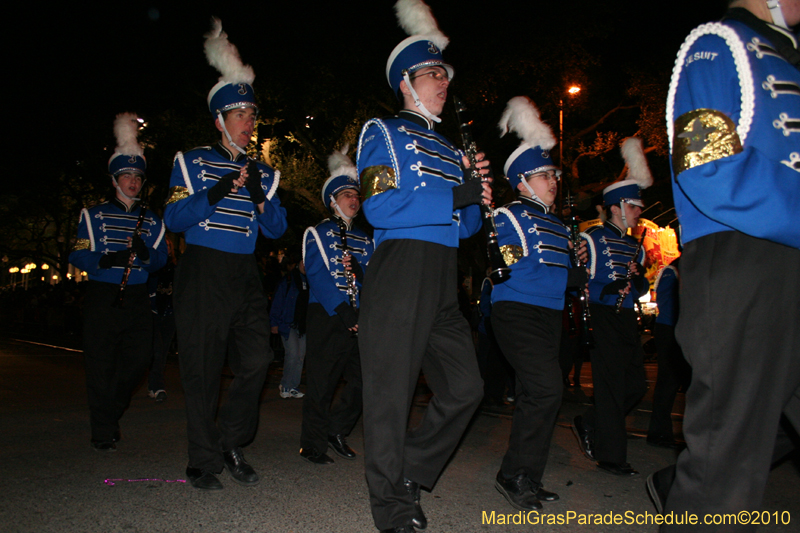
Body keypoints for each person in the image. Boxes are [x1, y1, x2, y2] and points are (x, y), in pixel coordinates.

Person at [646, 0, 799, 525]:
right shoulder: (717, 45)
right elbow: (708, 166)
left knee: (736, 446)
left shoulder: (786, 54)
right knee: (725, 470)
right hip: (742, 251)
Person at [356, 1, 491, 531]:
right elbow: (379, 207)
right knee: (390, 395)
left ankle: (411, 470)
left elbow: (467, 229)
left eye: (444, 74)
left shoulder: (450, 147)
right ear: (406, 83)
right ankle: (389, 506)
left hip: (441, 274)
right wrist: (458, 193)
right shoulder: (382, 134)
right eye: (433, 74)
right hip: (399, 268)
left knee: (466, 388)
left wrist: (476, 197)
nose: (443, 82)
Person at [163, 19, 287, 491]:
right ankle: (203, 460)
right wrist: (214, 192)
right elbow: (173, 220)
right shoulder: (191, 162)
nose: (250, 123)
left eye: (252, 116)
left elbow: (276, 229)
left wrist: (258, 196)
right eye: (241, 115)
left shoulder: (264, 171)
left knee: (257, 360)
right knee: (202, 367)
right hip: (202, 271)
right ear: (220, 120)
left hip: (244, 273)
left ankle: (232, 439)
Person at [490, 96, 589, 510]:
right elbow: (515, 269)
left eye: (554, 174)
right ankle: (514, 473)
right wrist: (570, 275)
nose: (554, 181)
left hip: (549, 315)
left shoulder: (559, 225)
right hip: (516, 310)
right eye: (545, 175)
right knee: (548, 389)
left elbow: (565, 274)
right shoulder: (508, 216)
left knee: (537, 393)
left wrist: (579, 266)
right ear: (522, 181)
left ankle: (525, 475)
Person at [69, 112, 167, 451]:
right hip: (102, 295)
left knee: (140, 359)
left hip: (138, 296)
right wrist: (107, 259)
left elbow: (161, 261)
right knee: (100, 364)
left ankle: (110, 410)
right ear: (114, 179)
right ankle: (103, 430)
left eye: (137, 177)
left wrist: (143, 254)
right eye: (126, 176)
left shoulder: (153, 220)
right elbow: (78, 255)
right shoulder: (92, 215)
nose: (133, 182)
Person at [572, 137, 652, 476]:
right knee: (611, 388)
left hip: (626, 318)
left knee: (636, 384)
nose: (639, 211)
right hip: (602, 317)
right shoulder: (592, 238)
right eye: (634, 206)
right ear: (617, 206)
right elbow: (579, 284)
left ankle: (590, 421)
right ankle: (612, 457)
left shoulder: (637, 246)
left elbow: (644, 286)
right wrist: (609, 287)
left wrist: (635, 280)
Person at [299, 147, 373, 465]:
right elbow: (316, 274)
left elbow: (376, 279)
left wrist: (361, 273)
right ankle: (312, 444)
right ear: (332, 200)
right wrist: (342, 310)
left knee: (364, 381)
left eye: (356, 195)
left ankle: (336, 429)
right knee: (321, 382)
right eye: (346, 195)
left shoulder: (367, 241)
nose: (353, 200)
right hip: (328, 315)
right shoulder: (318, 233)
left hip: (360, 318)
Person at [646, 258, 690, 449]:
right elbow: (667, 305)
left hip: (683, 329)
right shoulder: (672, 271)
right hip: (670, 330)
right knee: (668, 383)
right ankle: (659, 432)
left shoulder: (687, 268)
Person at [269, 251, 308, 399]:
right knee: (292, 355)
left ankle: (293, 385)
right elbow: (278, 301)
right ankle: (286, 384)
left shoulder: (310, 281)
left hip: (302, 324)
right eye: (303, 262)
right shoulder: (289, 280)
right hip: (288, 323)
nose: (305, 265)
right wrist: (274, 322)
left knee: (300, 356)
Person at [147, 234, 177, 403]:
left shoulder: (175, 268)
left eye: (169, 246)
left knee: (162, 351)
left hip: (169, 313)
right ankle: (155, 384)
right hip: (153, 312)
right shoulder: (152, 268)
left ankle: (155, 384)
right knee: (156, 350)